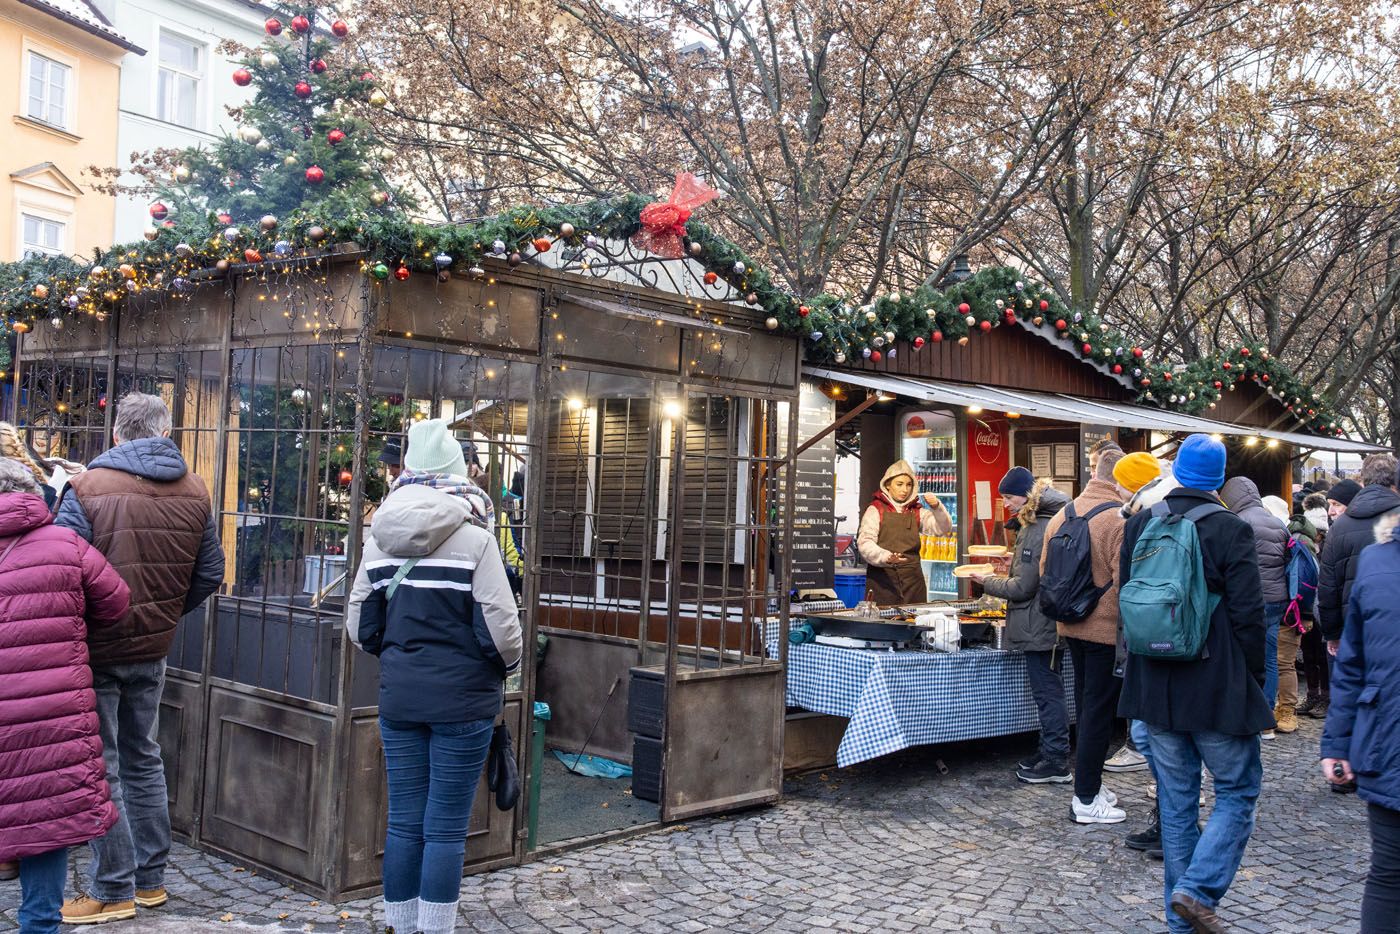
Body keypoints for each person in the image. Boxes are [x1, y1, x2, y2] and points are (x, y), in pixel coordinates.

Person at [345, 419, 523, 934]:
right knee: (445, 827)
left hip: (401, 700)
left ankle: (399, 924)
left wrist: (399, 656)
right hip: (464, 705)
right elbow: (503, 627)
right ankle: (436, 928)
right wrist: (505, 668)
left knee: (403, 819)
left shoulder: (380, 539)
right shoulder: (476, 540)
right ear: (456, 472)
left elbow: (359, 625)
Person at [53, 392, 225, 925]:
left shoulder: (86, 487)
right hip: (153, 645)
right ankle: (150, 881)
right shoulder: (194, 490)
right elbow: (211, 572)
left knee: (102, 764)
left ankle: (115, 887)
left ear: (118, 432)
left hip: (96, 646)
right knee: (143, 757)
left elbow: (61, 572)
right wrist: (166, 614)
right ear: (165, 431)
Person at [1118, 434, 1273, 934]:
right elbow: (1250, 615)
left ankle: (1179, 923)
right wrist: (1252, 679)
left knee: (1176, 802)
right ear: (1219, 479)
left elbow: (1129, 598)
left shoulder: (1142, 521)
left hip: (1153, 684)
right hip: (1215, 683)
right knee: (1237, 789)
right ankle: (1197, 890)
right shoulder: (1230, 527)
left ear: (1179, 472)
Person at [0, 458, 132, 933]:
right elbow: (117, 602)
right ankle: (38, 924)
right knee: (43, 817)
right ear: (33, 495)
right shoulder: (64, 542)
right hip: (53, 711)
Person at [1322, 490, 1400, 934]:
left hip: (1387, 741)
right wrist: (1336, 742)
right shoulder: (1376, 560)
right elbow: (1352, 664)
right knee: (1389, 875)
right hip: (1389, 742)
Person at [1039, 448, 1127, 822]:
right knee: (1098, 713)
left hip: (1070, 623)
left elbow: (1046, 568)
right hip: (1105, 629)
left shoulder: (1063, 513)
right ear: (1120, 480)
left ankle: (1090, 781)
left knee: (1085, 705)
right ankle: (1086, 798)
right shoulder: (1117, 520)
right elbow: (1126, 582)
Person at [970, 468, 1071, 783]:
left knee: (1047, 692)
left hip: (1038, 622)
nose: (1007, 504)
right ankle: (1048, 750)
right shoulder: (1050, 517)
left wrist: (988, 582)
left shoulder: (1037, 527)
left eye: (1010, 497)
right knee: (1048, 690)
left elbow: (1023, 587)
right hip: (1050, 620)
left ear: (1027, 495)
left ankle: (1056, 760)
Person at [1104, 452, 1165, 779]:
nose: (1116, 487)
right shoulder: (1146, 515)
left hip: (1150, 623)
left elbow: (1129, 579)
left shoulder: (1144, 520)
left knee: (1150, 705)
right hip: (1154, 620)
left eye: (1121, 481)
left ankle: (1166, 783)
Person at [1221, 477, 1290, 740]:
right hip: (1277, 601)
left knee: (1242, 657)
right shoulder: (1277, 522)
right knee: (1270, 659)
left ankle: (1244, 715)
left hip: (1249, 601)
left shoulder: (1238, 523)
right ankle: (1267, 720)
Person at [1319, 456, 1400, 658]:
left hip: (1353, 629)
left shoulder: (1339, 526)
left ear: (1364, 480)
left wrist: (1332, 633)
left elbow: (1328, 586)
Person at [856, 459, 953, 605]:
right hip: (883, 581)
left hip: (913, 582)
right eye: (899, 484)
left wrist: (937, 507)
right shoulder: (876, 510)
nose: (904, 490)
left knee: (915, 623)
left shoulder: (917, 511)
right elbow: (865, 543)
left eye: (909, 485)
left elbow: (942, 529)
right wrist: (886, 557)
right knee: (885, 624)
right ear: (888, 485)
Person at [1297, 492, 1332, 718]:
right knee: (1309, 651)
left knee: (1322, 654)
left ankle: (1326, 698)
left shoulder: (1329, 544)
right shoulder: (1306, 543)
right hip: (1308, 603)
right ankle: (1312, 695)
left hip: (1324, 604)